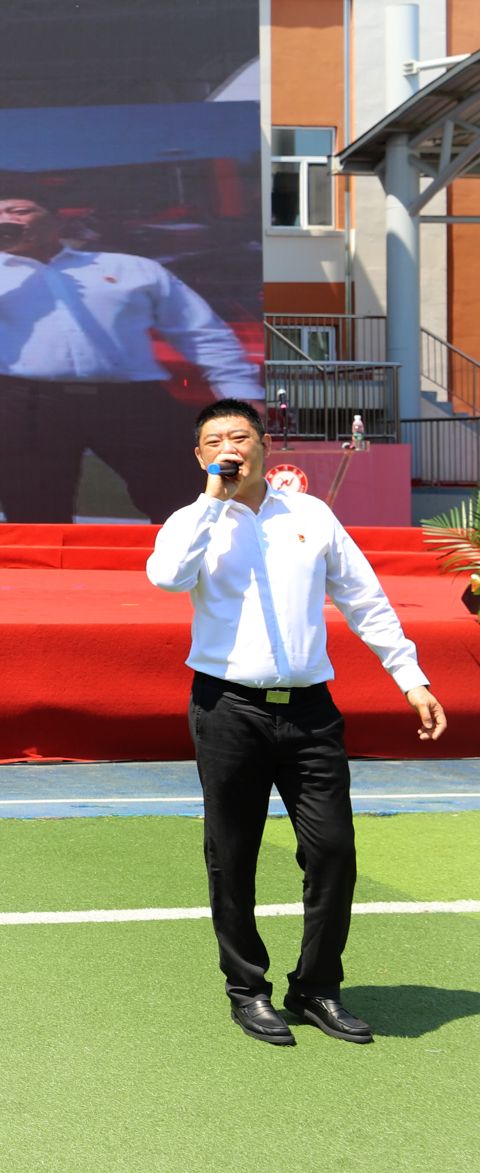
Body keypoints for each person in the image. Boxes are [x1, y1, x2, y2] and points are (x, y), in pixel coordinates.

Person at [146, 398, 447, 1046]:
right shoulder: (192, 521)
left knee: (333, 849)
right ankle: (247, 990)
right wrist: (212, 502)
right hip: (228, 708)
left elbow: (364, 598)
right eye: (214, 441)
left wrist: (410, 675)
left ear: (264, 445)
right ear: (199, 456)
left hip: (310, 712)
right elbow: (167, 577)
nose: (229, 448)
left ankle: (316, 986)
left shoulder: (311, 516)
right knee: (233, 853)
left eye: (240, 436)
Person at [0, 196, 262, 523]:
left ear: (54, 222)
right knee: (34, 506)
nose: (5, 219)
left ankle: (197, 570)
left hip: (129, 399)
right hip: (18, 402)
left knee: (183, 496)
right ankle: (46, 580)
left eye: (19, 210)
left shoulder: (130, 267)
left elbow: (199, 330)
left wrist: (239, 393)